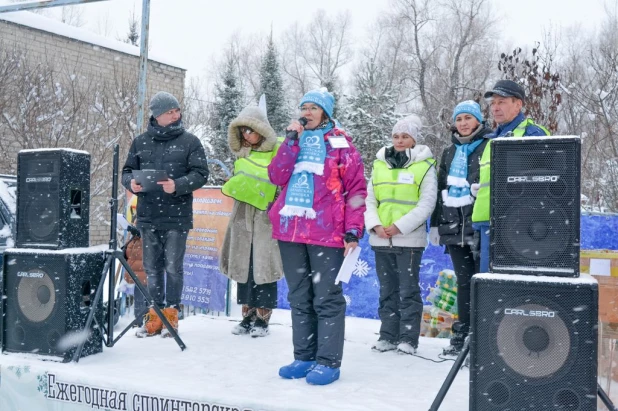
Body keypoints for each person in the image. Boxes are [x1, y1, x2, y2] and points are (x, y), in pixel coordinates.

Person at [268, 88, 367, 386]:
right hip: (290, 230)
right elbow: (276, 176)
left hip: (327, 232)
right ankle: (304, 357)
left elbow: (356, 191)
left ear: (325, 112)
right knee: (299, 297)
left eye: (313, 107)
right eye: (303, 107)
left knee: (326, 298)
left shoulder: (340, 143)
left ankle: (327, 361)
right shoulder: (292, 141)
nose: (307, 112)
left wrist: (353, 230)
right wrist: (290, 142)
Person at [122, 91, 209, 338]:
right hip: (148, 216)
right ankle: (154, 317)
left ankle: (171, 317)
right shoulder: (140, 142)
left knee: (173, 267)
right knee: (151, 268)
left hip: (177, 216)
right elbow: (127, 171)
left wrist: (178, 184)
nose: (175, 114)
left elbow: (201, 173)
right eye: (170, 111)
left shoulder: (190, 142)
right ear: (157, 115)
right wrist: (131, 183)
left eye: (177, 110)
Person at [364, 115, 437, 355]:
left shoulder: (425, 166)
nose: (399, 140)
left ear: (414, 139)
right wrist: (375, 225)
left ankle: (408, 338)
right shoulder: (379, 164)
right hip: (381, 238)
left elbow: (427, 203)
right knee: (387, 291)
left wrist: (399, 226)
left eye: (405, 136)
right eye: (396, 136)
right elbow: (370, 199)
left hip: (409, 239)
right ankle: (387, 335)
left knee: (408, 290)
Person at [429, 101, 492, 356]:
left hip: (479, 228)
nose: (463, 123)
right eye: (459, 119)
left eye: (468, 118)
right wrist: (435, 224)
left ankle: (482, 339)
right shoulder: (448, 152)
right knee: (464, 284)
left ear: (478, 121)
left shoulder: (489, 146)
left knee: (483, 284)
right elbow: (439, 189)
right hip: (453, 229)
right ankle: (462, 336)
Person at [220, 102, 284, 338]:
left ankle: (263, 319)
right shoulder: (243, 153)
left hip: (267, 214)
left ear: (262, 129)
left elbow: (283, 178)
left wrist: (275, 199)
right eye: (243, 131)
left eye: (251, 130)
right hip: (243, 213)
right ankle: (247, 316)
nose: (247, 135)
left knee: (263, 265)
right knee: (244, 264)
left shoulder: (278, 148)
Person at [472, 80, 550, 272]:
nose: (496, 108)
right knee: (488, 288)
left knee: (507, 289)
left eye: (502, 102)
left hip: (516, 225)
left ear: (518, 104)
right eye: (493, 103)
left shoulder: (532, 134)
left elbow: (542, 184)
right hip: (488, 222)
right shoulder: (493, 138)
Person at [124, 195, 147, 327]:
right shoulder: (137, 221)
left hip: (144, 271)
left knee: (144, 299)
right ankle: (139, 322)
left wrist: (139, 234)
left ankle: (144, 323)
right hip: (138, 271)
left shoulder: (147, 222)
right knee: (139, 299)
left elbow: (148, 242)